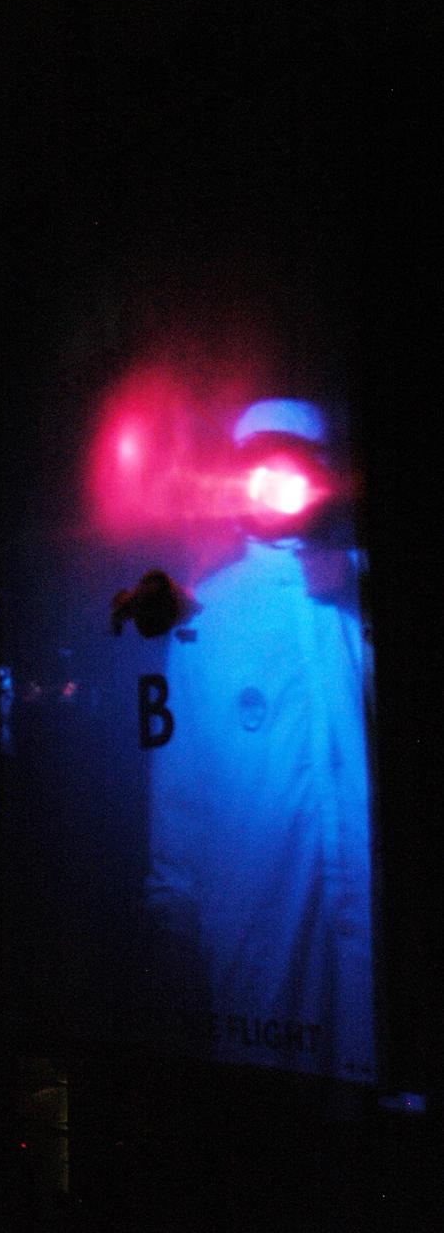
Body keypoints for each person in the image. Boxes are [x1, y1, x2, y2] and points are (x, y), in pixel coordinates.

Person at [145, 398, 376, 1084]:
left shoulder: (359, 596)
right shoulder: (209, 619)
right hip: (258, 925)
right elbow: (178, 782)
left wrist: (353, 581)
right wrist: (172, 903)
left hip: (371, 927)